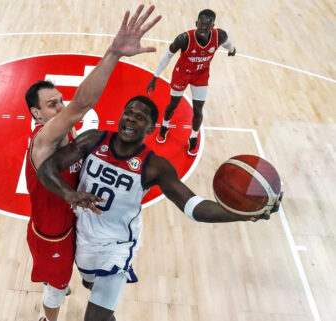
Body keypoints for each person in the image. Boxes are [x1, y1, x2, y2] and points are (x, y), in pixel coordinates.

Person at [36, 96, 282, 321]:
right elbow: (47, 168)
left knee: (94, 317)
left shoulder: (155, 167)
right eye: (128, 112)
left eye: (140, 117)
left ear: (151, 128)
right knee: (93, 292)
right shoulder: (93, 140)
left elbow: (193, 207)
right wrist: (72, 194)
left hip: (117, 248)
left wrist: (240, 213)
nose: (131, 118)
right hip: (85, 240)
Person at [24, 5, 161, 321]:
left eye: (60, 100)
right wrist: (113, 53)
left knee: (87, 275)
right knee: (56, 288)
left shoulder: (65, 133)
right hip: (52, 233)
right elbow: (82, 105)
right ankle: (48, 318)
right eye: (52, 104)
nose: (61, 106)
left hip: (74, 224)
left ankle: (75, 280)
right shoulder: (44, 139)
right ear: (36, 114)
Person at [146, 9, 236, 156]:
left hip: (200, 76)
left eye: (207, 26)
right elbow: (167, 56)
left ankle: (193, 137)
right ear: (196, 23)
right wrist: (155, 77)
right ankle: (165, 126)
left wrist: (232, 50)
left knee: (198, 110)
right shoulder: (184, 38)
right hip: (182, 74)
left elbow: (228, 44)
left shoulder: (219, 36)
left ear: (213, 26)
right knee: (173, 104)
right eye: (201, 25)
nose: (203, 28)